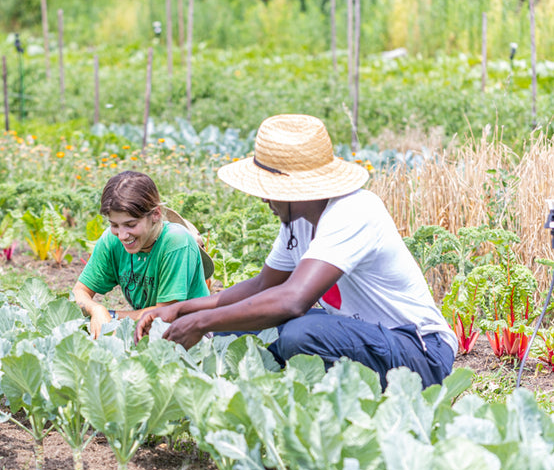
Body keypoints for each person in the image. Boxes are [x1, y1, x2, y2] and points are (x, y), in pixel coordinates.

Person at [134, 114, 458, 389]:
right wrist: (183, 310)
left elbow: (292, 299)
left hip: (421, 353)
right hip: (362, 334)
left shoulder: (353, 210)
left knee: (299, 333)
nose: (264, 200)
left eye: (271, 191)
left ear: (296, 189)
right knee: (242, 323)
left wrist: (202, 323)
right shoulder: (300, 217)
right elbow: (262, 286)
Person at [73, 170, 213, 338]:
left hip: (190, 334)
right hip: (144, 329)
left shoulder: (176, 242)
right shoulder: (111, 240)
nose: (122, 235)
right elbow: (79, 291)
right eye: (115, 225)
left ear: (156, 214)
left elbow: (164, 314)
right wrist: (96, 309)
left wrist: (110, 316)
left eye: (131, 225)